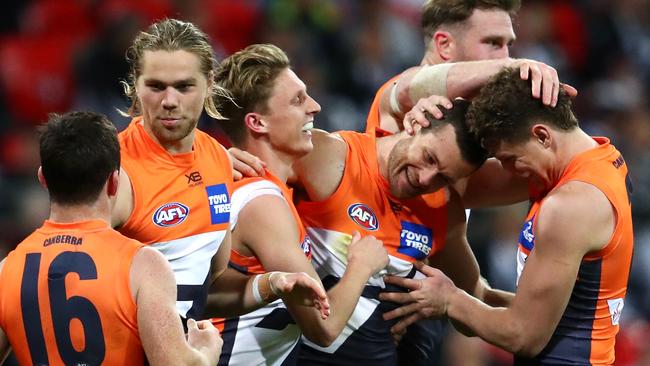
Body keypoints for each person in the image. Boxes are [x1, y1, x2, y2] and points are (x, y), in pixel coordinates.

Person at [381, 68, 634, 365]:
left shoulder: (570, 205)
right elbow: (561, 315)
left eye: (509, 159)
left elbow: (524, 336)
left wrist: (450, 300)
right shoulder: (602, 158)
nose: (510, 172)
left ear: (541, 135)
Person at [112, 18, 328, 323]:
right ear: (136, 85)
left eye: (184, 86)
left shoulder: (216, 159)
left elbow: (206, 289)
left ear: (209, 85)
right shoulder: (115, 171)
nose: (170, 101)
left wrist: (269, 285)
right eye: (156, 86)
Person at [211, 43, 389, 366]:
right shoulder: (262, 202)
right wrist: (362, 266)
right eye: (298, 100)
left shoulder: (273, 190)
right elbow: (323, 326)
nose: (315, 106)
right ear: (257, 123)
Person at [0, 111, 222, 365]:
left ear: (42, 179)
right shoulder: (143, 266)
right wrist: (207, 352)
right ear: (114, 182)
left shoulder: (8, 271)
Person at [367, 0, 577, 137]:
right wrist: (512, 66)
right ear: (445, 45)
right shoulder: (396, 93)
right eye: (493, 42)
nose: (504, 56)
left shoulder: (468, 125)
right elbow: (407, 88)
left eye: (508, 45)